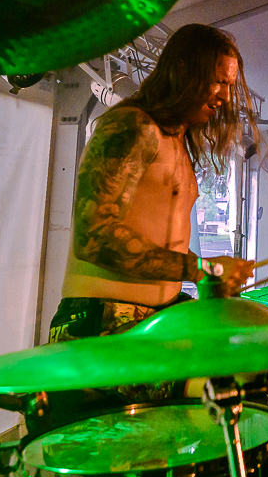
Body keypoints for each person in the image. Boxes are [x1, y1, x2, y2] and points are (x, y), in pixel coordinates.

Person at [47, 24, 257, 378]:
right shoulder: (133, 126)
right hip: (101, 323)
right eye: (217, 81)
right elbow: (94, 237)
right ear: (182, 70)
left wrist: (207, 275)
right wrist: (201, 269)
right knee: (219, 387)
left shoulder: (175, 141)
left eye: (229, 85)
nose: (224, 96)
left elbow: (153, 241)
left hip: (150, 318)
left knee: (242, 365)